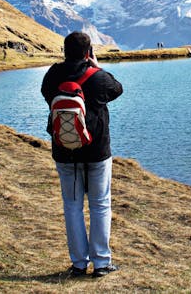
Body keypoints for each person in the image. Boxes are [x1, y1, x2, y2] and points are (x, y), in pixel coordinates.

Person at [41, 32, 123, 278]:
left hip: (65, 150)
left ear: (64, 51)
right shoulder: (98, 77)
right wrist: (96, 67)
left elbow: (47, 96)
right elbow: (117, 89)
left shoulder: (53, 75)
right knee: (100, 205)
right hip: (97, 151)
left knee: (72, 206)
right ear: (89, 52)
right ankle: (101, 263)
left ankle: (78, 264)